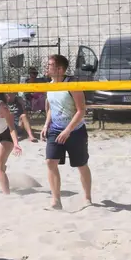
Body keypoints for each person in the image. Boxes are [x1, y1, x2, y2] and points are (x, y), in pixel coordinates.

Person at [42, 54, 92, 210]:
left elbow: (81, 110)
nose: (47, 67)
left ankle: (88, 197)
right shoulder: (49, 85)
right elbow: (50, 108)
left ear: (59, 69)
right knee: (50, 162)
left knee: (81, 164)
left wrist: (68, 130)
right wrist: (45, 125)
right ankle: (56, 200)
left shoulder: (72, 85)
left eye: (49, 65)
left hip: (75, 131)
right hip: (55, 129)